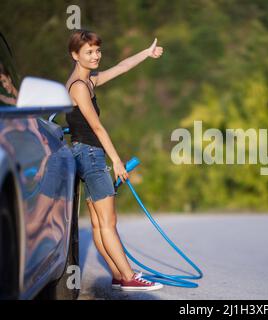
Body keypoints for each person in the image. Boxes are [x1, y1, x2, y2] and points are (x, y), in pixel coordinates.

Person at [66, 29, 164, 291]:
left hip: (84, 154)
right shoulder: (79, 87)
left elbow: (121, 67)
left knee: (99, 224)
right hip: (91, 155)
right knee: (109, 223)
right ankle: (129, 276)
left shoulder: (87, 81)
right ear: (75, 55)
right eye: (89, 52)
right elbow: (97, 128)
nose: (96, 55)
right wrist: (117, 161)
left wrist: (146, 52)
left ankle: (118, 274)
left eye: (97, 50)